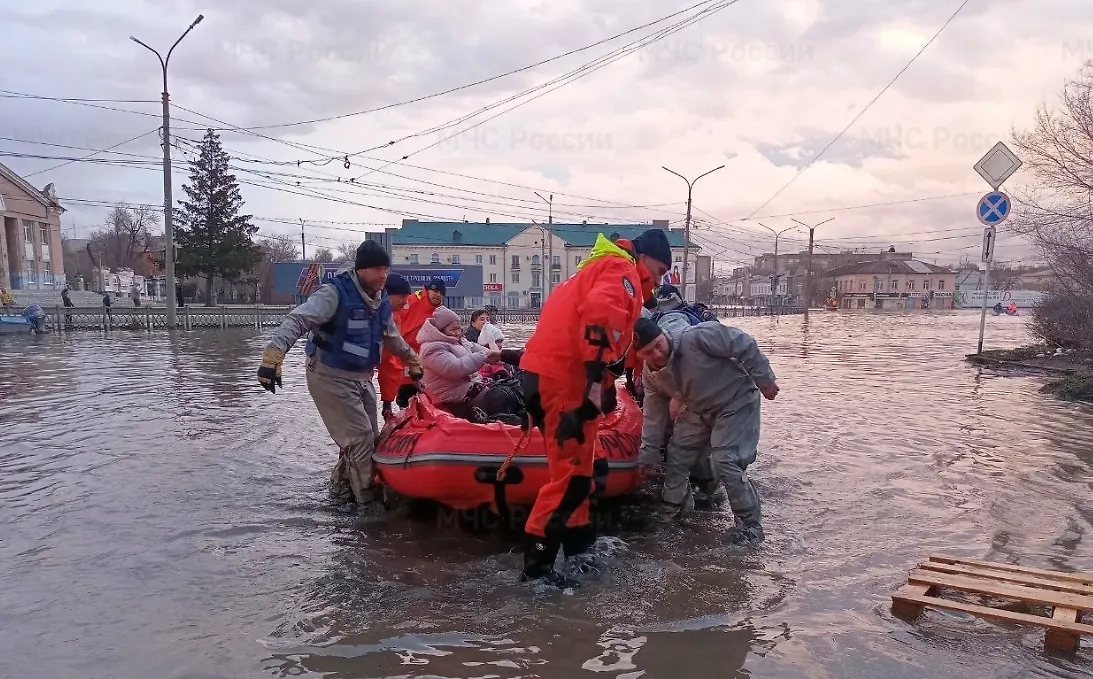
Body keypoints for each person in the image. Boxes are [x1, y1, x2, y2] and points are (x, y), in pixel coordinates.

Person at [518, 228, 671, 586]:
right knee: (571, 480)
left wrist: (601, 383)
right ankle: (536, 571)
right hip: (563, 382)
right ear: (645, 258)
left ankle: (579, 550)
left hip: (552, 376)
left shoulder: (598, 268)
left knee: (587, 469)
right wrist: (592, 382)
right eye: (660, 272)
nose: (658, 282)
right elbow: (600, 318)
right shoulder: (622, 271)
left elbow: (592, 328)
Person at [256, 241, 424, 513]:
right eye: (378, 269)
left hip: (361, 377)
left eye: (386, 269)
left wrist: (412, 361)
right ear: (361, 269)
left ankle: (341, 491)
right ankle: (369, 507)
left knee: (371, 438)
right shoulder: (335, 293)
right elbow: (297, 320)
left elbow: (392, 338)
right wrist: (273, 357)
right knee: (360, 440)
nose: (384, 275)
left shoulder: (380, 301)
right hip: (328, 374)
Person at [634, 315, 779, 546]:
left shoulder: (697, 337)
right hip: (698, 408)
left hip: (735, 399)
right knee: (677, 455)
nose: (657, 355)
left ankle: (749, 526)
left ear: (663, 335)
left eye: (658, 346)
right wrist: (647, 456)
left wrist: (765, 379)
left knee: (727, 458)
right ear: (639, 356)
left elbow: (743, 343)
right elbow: (653, 417)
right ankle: (673, 511)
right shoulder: (650, 377)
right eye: (648, 353)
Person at [417, 306, 502, 419]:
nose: (458, 333)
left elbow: (479, 349)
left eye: (459, 328)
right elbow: (453, 368)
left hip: (463, 386)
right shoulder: (432, 348)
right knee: (496, 398)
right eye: (453, 329)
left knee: (503, 389)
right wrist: (483, 356)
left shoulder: (460, 341)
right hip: (447, 394)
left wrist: (504, 355)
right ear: (440, 331)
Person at [378, 277, 446, 419]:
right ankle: (396, 410)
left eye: (441, 292)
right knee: (403, 389)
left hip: (419, 358)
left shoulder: (441, 313)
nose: (438, 295)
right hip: (400, 354)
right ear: (427, 290)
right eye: (434, 290)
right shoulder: (410, 302)